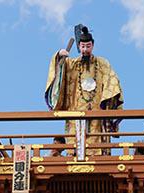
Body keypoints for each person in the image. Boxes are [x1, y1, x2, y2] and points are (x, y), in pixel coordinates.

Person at [45, 25, 124, 156]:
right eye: (82, 46)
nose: (85, 50)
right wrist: (59, 56)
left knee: (97, 139)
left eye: (88, 46)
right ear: (79, 47)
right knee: (74, 141)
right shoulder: (71, 64)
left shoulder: (102, 63)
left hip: (97, 112)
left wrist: (109, 103)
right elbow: (58, 72)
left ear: (92, 46)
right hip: (75, 112)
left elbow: (113, 83)